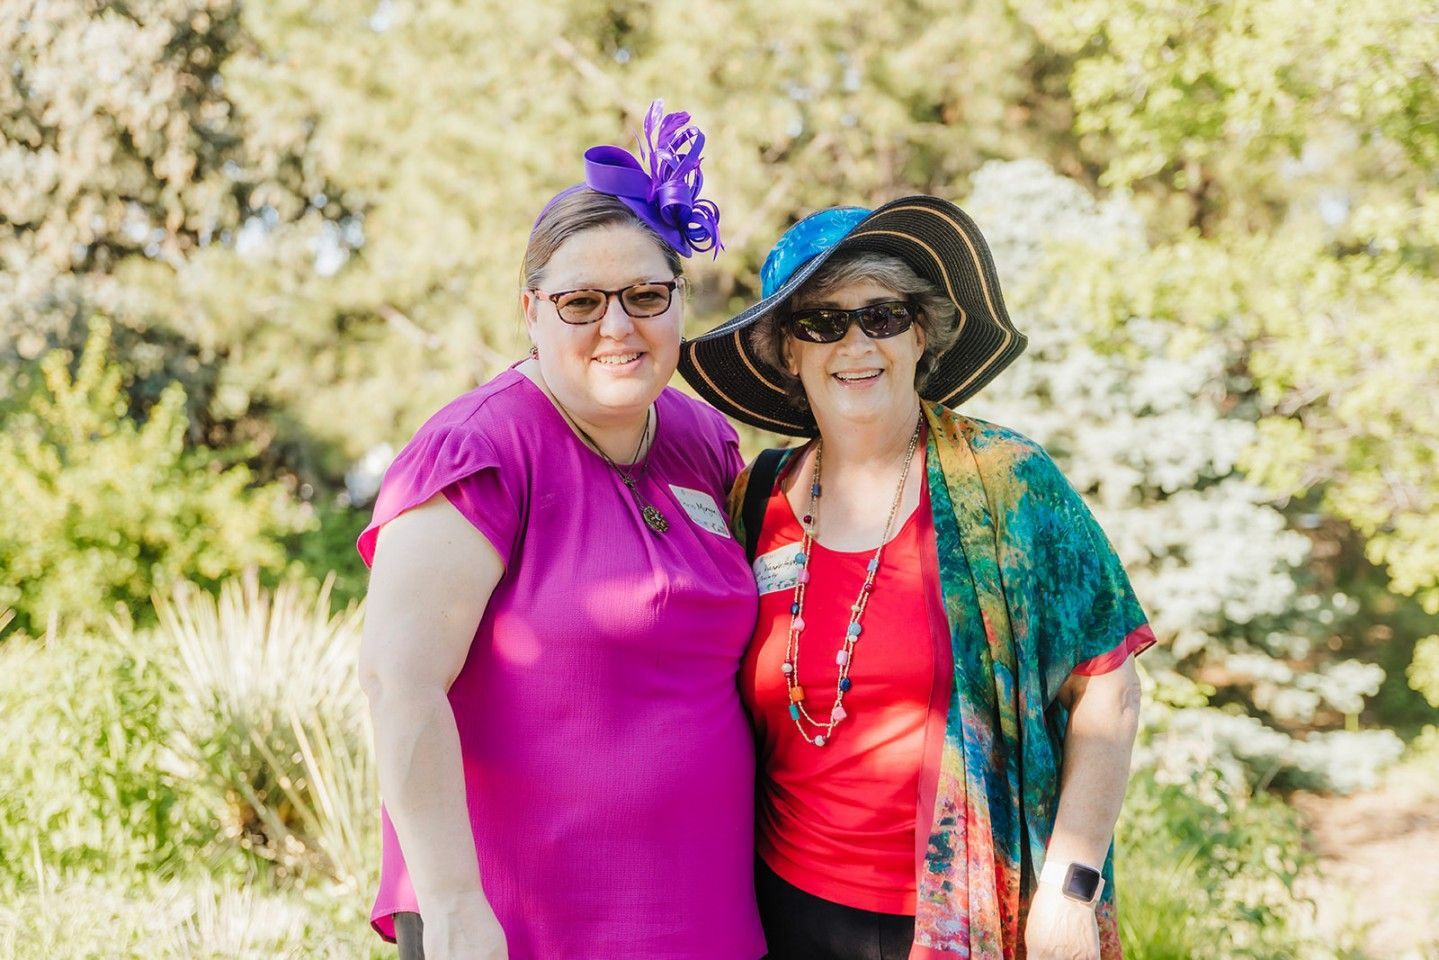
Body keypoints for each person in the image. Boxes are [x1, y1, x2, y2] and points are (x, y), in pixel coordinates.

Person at [679, 198, 1155, 960]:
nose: (855, 342)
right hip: (779, 907)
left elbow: (1107, 683)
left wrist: (1071, 881)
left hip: (964, 908)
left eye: (882, 315)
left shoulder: (1005, 482)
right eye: (821, 322)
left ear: (921, 332)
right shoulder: (754, 496)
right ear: (786, 353)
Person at [356, 101, 765, 960]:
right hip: (520, 921)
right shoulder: (477, 451)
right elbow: (401, 686)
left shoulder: (704, 440)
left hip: (701, 915)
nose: (618, 327)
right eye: (581, 301)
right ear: (530, 311)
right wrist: (456, 906)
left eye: (646, 295)